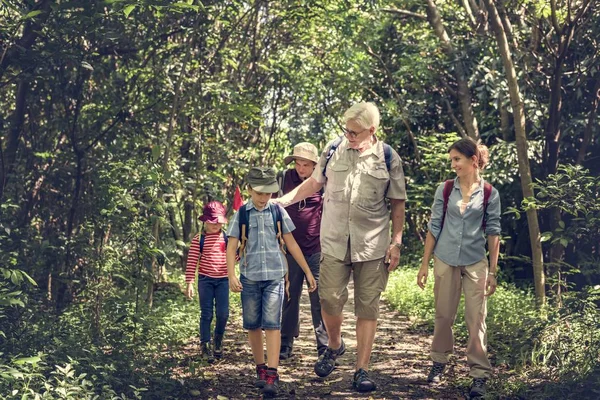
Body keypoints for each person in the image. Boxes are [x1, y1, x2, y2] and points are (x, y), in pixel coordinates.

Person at [275, 102, 407, 393]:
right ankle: (334, 344)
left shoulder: (387, 157)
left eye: (355, 132)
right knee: (329, 301)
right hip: (333, 241)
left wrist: (396, 242)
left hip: (372, 246)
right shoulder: (333, 149)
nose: (349, 135)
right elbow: (313, 184)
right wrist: (281, 201)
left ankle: (361, 369)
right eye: (346, 130)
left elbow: (398, 202)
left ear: (371, 131)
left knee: (367, 307)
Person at [416, 138, 500, 398]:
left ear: (473, 161)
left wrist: (493, 272)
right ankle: (439, 363)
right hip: (445, 258)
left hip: (476, 261)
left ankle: (479, 375)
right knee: (443, 314)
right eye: (451, 160)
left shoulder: (489, 193)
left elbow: (494, 233)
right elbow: (434, 227)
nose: (453, 165)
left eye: (457, 160)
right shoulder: (444, 189)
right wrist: (424, 264)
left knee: (476, 319)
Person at [226, 167, 317, 398]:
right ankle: (260, 368)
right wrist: (231, 275)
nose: (264, 197)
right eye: (259, 193)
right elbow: (231, 246)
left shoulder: (277, 211)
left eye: (268, 193)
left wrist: (307, 271)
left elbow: (292, 244)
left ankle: (273, 373)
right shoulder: (242, 214)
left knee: (273, 324)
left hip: (275, 277)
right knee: (253, 324)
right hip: (250, 277)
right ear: (249, 190)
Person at [278, 142, 328, 360]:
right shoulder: (284, 179)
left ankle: (324, 346)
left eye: (306, 165)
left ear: (315, 165)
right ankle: (285, 342)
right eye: (298, 164)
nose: (301, 169)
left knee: (319, 298)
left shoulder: (323, 182)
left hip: (316, 247)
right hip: (290, 248)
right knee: (289, 296)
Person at [185, 201, 230, 363]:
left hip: (223, 281)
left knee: (223, 313)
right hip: (205, 280)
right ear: (205, 221)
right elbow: (191, 261)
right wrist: (189, 282)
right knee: (207, 314)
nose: (216, 225)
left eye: (218, 222)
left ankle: (218, 340)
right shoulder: (199, 239)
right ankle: (205, 345)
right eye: (212, 222)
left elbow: (234, 258)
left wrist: (241, 251)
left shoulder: (226, 238)